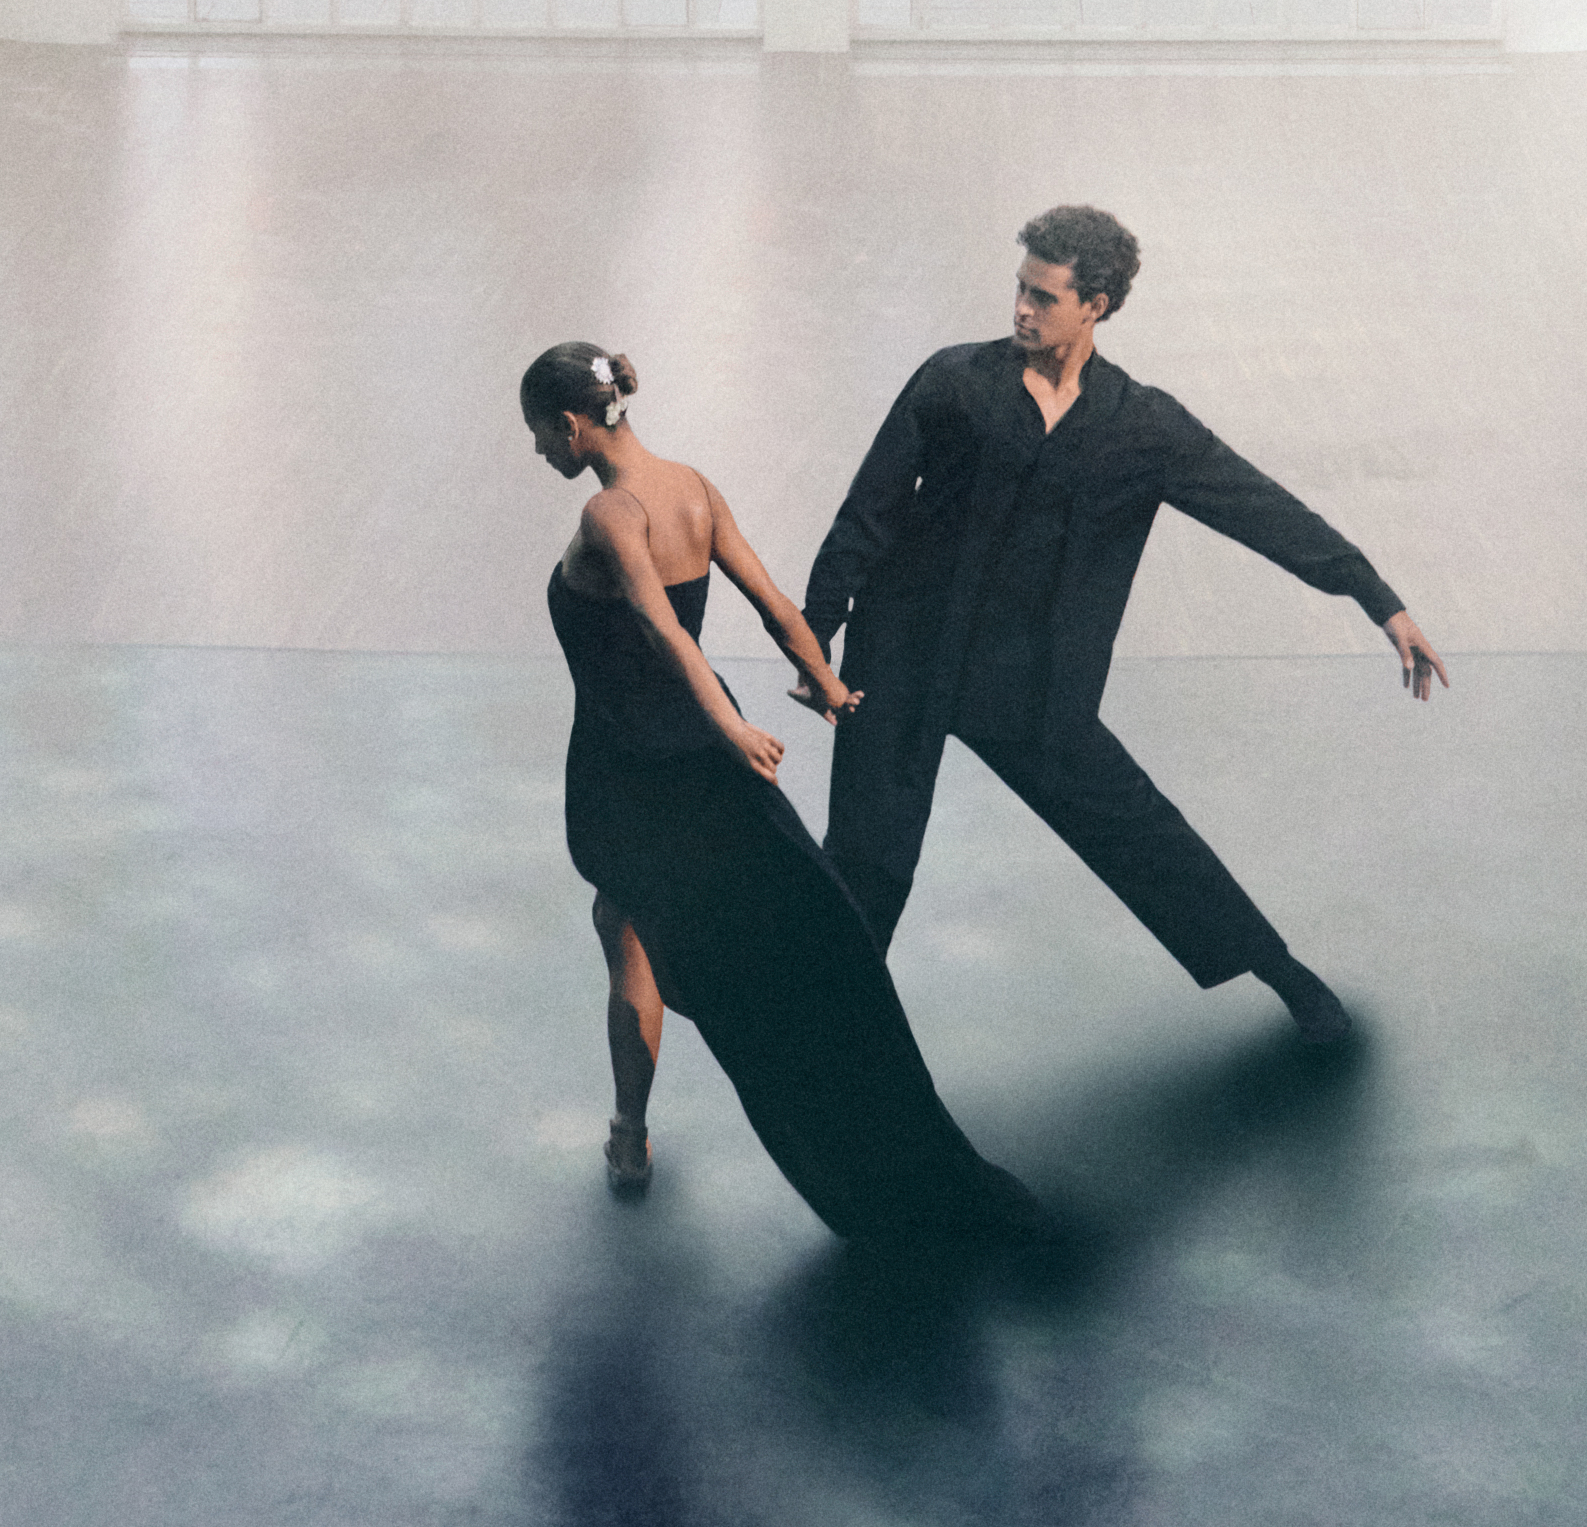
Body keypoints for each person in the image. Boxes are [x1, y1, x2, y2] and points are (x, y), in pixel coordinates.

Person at [807, 203, 1441, 1049]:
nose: (1021, 309)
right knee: (866, 858)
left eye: (1042, 296)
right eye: (1019, 289)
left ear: (1095, 305)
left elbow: (1261, 510)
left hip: (1028, 683)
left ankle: (1282, 973)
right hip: (904, 659)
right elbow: (869, 511)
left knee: (1138, 831)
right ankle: (839, 1039)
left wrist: (1378, 599)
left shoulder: (1142, 426)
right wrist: (815, 634)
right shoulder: (951, 382)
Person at [522, 340, 1035, 1251]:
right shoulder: (693, 488)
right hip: (697, 758)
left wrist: (733, 728)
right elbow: (772, 602)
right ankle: (639, 1120)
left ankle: (630, 1138)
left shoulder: (611, 513)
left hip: (632, 769)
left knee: (628, 936)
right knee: (644, 929)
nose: (537, 456)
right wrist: (822, 682)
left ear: (569, 423)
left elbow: (659, 632)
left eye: (537, 436)